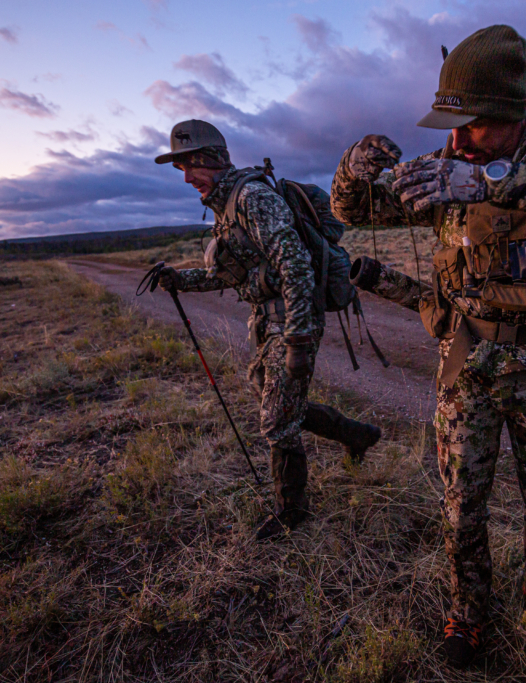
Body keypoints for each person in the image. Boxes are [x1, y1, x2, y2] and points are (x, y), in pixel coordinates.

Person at [331, 25, 526, 668]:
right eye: (449, 127)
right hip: (467, 366)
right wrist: (355, 163)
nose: (455, 144)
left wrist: (494, 184)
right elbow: (352, 210)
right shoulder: (447, 166)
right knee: (461, 509)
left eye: (473, 126)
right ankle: (470, 612)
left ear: (511, 115)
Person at [154, 119, 381, 541]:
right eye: (179, 168)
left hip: (292, 319)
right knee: (275, 397)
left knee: (277, 419)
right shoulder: (224, 206)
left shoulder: (252, 198)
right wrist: (180, 279)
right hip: (268, 319)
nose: (186, 178)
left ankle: (291, 511)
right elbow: (235, 273)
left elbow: (295, 266)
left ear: (213, 160)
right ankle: (359, 435)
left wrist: (296, 338)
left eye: (191, 166)